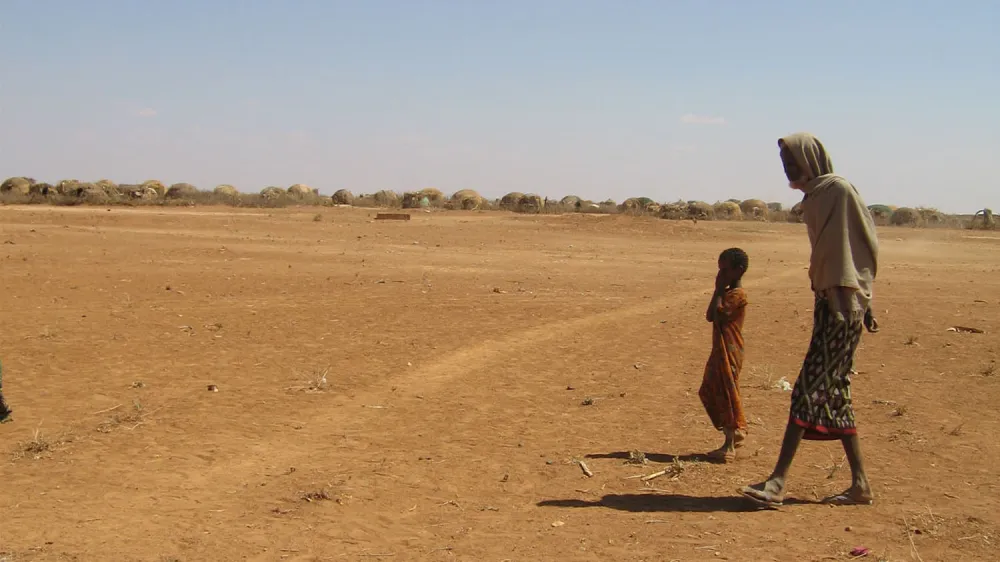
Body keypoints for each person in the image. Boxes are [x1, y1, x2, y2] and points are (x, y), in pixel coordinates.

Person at [741, 132, 880, 507]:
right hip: (831, 301)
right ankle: (861, 485)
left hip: (842, 304)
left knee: (808, 388)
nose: (788, 169)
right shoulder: (816, 196)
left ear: (812, 160)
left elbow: (863, 242)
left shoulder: (839, 191)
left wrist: (859, 298)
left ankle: (777, 482)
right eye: (784, 163)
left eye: (794, 162)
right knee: (835, 392)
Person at [699, 248, 750, 463]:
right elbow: (710, 315)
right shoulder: (726, 293)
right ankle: (733, 433)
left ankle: (731, 441)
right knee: (712, 388)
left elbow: (718, 314)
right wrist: (718, 290)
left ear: (738, 271)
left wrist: (719, 289)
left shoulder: (737, 296)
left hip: (730, 350)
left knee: (729, 393)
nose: (720, 275)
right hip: (720, 350)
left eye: (724, 271)